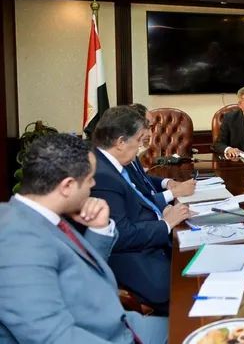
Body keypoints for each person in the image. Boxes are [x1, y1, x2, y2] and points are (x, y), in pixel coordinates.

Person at [0, 133, 168, 343]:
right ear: (67, 186)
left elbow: (79, 276)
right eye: (89, 179)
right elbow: (54, 337)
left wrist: (99, 229)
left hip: (123, 325)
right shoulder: (17, 241)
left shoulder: (41, 217)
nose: (93, 184)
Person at [91, 106, 190, 315]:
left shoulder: (112, 162)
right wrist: (165, 224)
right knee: (193, 291)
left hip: (154, 243)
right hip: (141, 261)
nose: (140, 147)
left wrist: (163, 215)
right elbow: (121, 235)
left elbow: (139, 202)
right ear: (120, 142)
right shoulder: (103, 175)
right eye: (138, 140)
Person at [127, 103, 196, 205]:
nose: (151, 134)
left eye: (151, 127)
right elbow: (137, 203)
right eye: (147, 127)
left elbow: (143, 179)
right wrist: (174, 193)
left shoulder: (132, 153)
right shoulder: (122, 160)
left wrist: (168, 183)